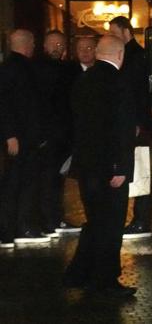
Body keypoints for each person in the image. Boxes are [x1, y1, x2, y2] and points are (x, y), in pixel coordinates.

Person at [63, 35, 136, 297]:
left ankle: (78, 273)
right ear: (120, 55)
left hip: (87, 167)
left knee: (95, 221)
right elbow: (121, 129)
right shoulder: (118, 82)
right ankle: (104, 280)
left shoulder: (83, 80)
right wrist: (120, 167)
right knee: (110, 225)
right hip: (109, 168)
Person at [0, 29, 51, 247]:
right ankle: (19, 227)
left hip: (23, 136)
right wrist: (11, 134)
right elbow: (6, 104)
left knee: (18, 183)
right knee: (21, 183)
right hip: (22, 138)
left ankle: (15, 228)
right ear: (28, 43)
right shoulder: (18, 69)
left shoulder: (11, 67)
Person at [108, 16, 152, 239]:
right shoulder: (135, 55)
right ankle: (139, 219)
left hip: (136, 124)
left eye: (115, 33)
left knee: (141, 170)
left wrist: (136, 122)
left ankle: (142, 219)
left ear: (126, 31)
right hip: (135, 122)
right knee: (137, 168)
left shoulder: (135, 57)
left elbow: (137, 94)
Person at [35, 30, 81, 237]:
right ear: (44, 45)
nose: (58, 48)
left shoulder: (65, 69)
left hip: (61, 135)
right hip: (49, 135)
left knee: (56, 179)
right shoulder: (41, 69)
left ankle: (53, 218)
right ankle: (48, 220)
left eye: (61, 45)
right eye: (54, 44)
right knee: (48, 179)